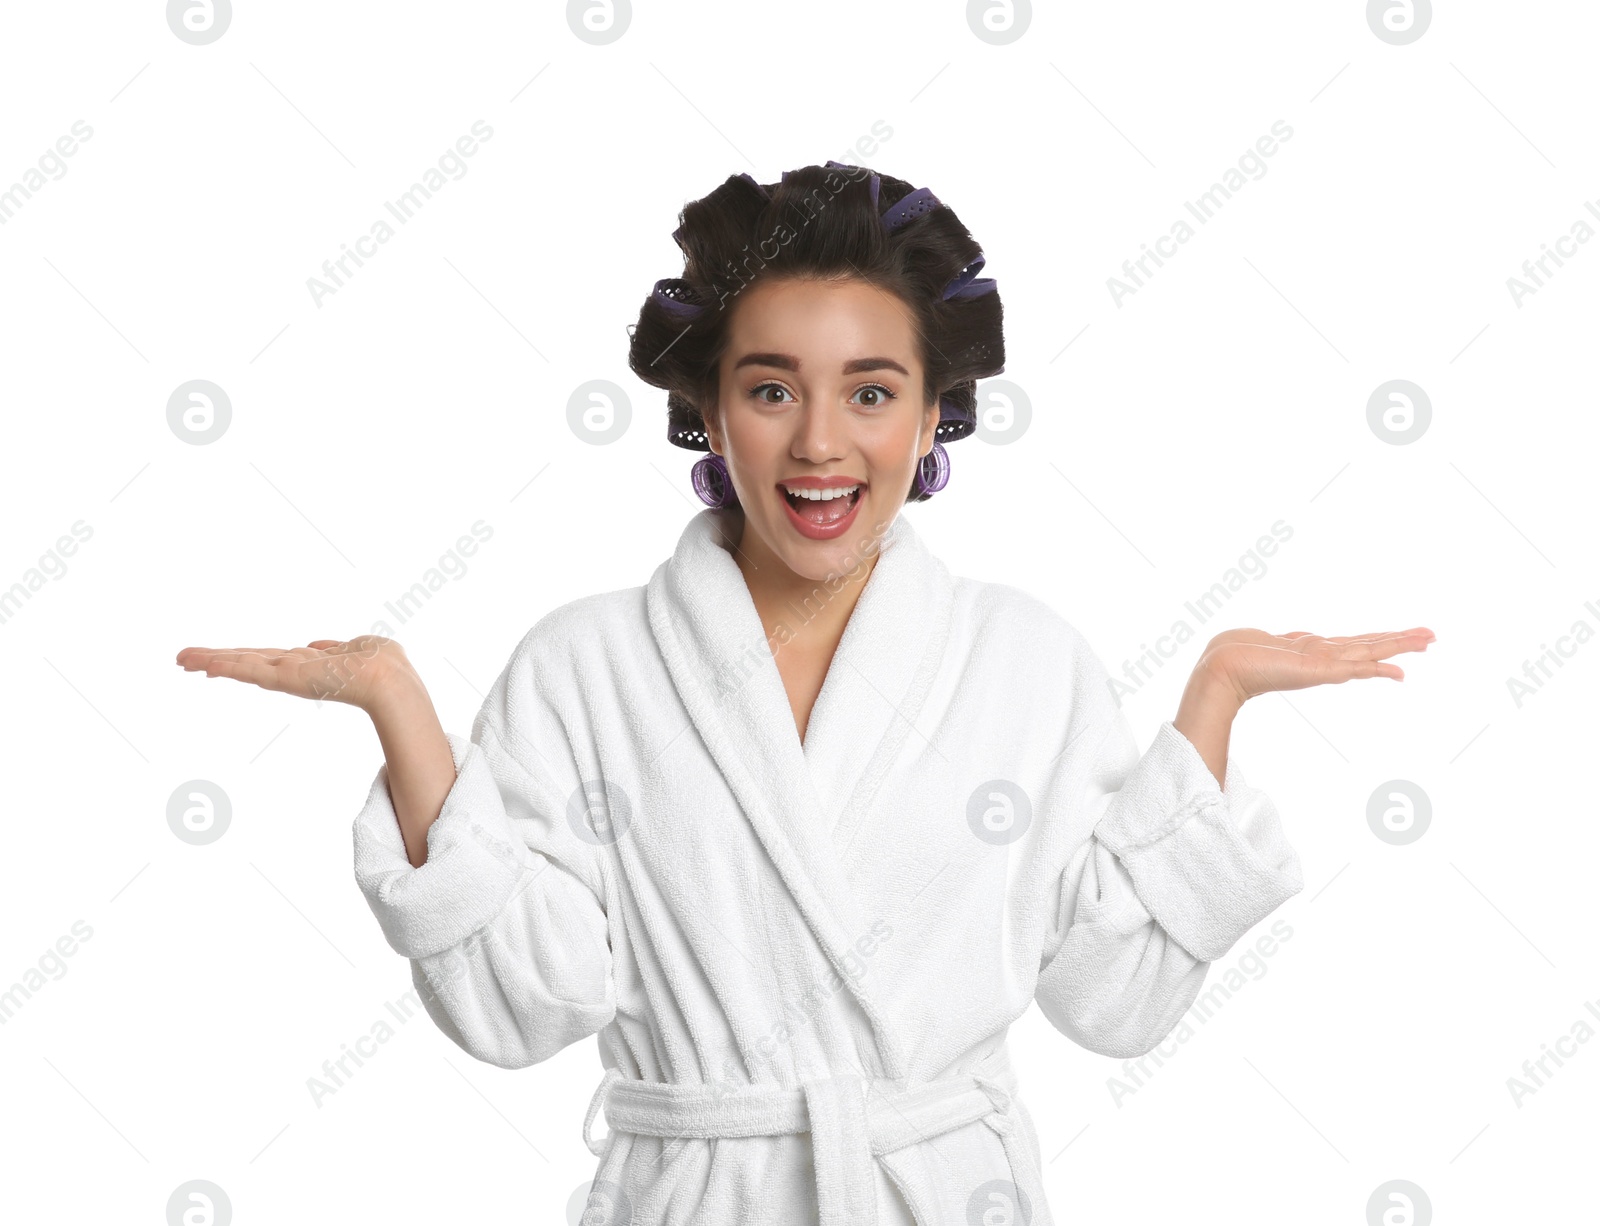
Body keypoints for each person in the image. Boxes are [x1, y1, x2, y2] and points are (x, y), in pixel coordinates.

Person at [175, 162, 1434, 1226]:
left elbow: (1109, 999)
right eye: (771, 388)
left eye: (871, 392)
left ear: (936, 414)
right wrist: (398, 705)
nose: (821, 442)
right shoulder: (585, 666)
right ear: (708, 414)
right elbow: (520, 1004)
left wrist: (1211, 700)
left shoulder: (1024, 660)